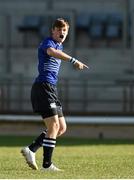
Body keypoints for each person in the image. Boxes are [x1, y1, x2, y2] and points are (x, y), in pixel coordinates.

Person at [21, 18, 89, 171]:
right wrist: (73, 60)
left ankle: (31, 149)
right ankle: (47, 165)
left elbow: (57, 52)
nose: (61, 32)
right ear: (52, 31)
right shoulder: (48, 43)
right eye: (58, 29)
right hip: (43, 87)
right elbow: (52, 53)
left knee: (61, 128)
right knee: (54, 125)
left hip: (51, 88)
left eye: (64, 30)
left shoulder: (59, 45)